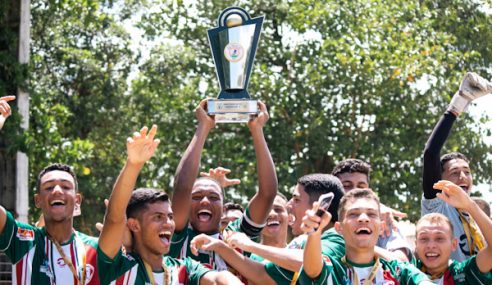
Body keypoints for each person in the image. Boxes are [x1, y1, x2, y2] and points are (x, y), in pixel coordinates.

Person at [97, 125, 241, 284]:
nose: (169, 224)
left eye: (170, 217)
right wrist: (134, 164)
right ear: (134, 224)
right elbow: (114, 218)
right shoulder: (117, 266)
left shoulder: (184, 269)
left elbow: (219, 278)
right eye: (158, 217)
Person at [169, 99, 277, 270]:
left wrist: (257, 130)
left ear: (223, 206)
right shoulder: (178, 236)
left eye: (213, 197)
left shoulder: (236, 238)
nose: (205, 201)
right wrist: (203, 127)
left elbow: (268, 194)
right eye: (196, 197)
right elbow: (182, 187)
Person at [189, 174, 346, 285]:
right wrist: (220, 246)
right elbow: (262, 275)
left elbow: (308, 264)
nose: (289, 205)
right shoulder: (299, 245)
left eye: (296, 199)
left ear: (319, 206)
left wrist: (249, 245)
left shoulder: (335, 239)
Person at [422, 72, 492, 261]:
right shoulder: (438, 205)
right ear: (441, 180)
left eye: (467, 172)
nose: (462, 176)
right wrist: (459, 103)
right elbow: (430, 153)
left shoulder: (475, 216)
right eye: (454, 172)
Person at [298, 188, 432, 285]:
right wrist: (314, 232)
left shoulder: (397, 270)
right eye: (353, 214)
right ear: (339, 228)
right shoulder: (334, 269)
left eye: (371, 214)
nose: (363, 218)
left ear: (381, 227)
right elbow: (312, 269)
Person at [0, 163, 100, 284]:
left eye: (66, 186)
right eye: (48, 187)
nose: (57, 191)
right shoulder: (24, 240)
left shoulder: (96, 248)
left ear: (77, 200)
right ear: (38, 200)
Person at [332, 158, 412, 262]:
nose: (355, 190)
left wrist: (363, 248)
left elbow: (402, 262)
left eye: (361, 186)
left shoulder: (383, 220)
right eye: (347, 186)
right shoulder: (321, 219)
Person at [414, 180, 492, 284]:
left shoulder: (466, 273)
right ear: (416, 244)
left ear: (453, 244)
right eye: (424, 238)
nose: (431, 245)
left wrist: (469, 205)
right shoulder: (406, 273)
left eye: (439, 238)